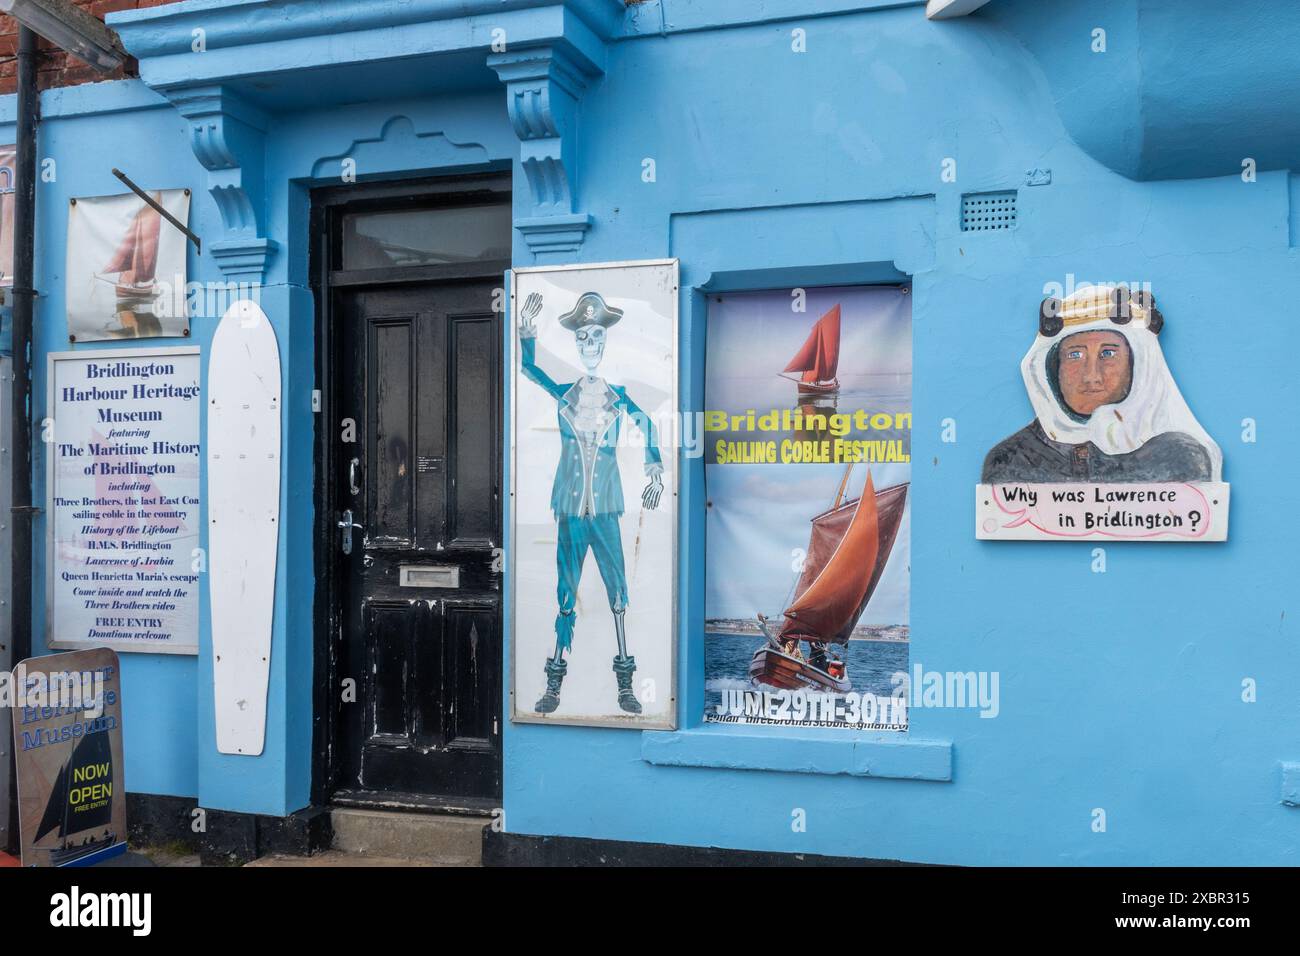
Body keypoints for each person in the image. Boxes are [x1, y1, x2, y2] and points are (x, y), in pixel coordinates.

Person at [519, 290, 663, 715]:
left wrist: (654, 469)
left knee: (617, 591)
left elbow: (647, 423)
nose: (591, 345)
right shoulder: (565, 393)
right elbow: (529, 368)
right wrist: (528, 330)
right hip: (569, 505)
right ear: (577, 343)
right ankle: (554, 683)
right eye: (583, 338)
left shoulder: (617, 396)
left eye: (596, 336)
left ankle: (624, 685)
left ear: (606, 340)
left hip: (605, 507)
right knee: (566, 591)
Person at [982, 284, 1221, 483]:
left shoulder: (1179, 457)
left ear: (1137, 364)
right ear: (1053, 366)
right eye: (1075, 355)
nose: (1092, 376)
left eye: (1108, 354)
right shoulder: (1013, 458)